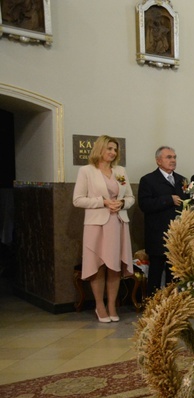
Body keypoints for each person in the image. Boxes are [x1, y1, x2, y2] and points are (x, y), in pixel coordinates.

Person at [73, 135, 134, 323]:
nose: (113, 152)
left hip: (118, 223)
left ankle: (112, 305)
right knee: (99, 265)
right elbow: (78, 200)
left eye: (115, 150)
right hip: (97, 225)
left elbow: (131, 197)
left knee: (114, 266)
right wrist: (103, 202)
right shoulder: (87, 171)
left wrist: (122, 203)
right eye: (109, 148)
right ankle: (100, 305)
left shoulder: (120, 171)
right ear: (100, 149)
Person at [138, 146, 188, 297]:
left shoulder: (182, 180)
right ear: (158, 161)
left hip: (177, 234)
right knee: (156, 273)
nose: (173, 160)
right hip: (157, 234)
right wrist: (168, 199)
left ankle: (171, 305)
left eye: (174, 157)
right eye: (168, 157)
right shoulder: (148, 180)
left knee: (174, 273)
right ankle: (152, 304)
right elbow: (144, 205)